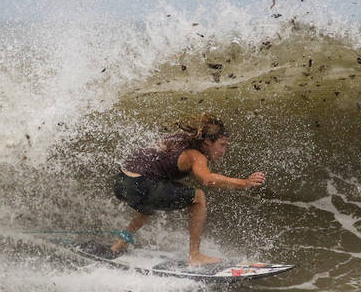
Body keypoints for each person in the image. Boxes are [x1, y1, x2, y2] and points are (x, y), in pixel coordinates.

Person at [109, 113, 266, 265]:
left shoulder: (177, 140)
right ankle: (195, 255)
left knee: (148, 205)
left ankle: (120, 244)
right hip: (142, 184)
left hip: (122, 183)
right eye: (222, 145)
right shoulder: (195, 155)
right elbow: (207, 178)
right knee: (198, 198)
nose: (224, 151)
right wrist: (244, 183)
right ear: (208, 142)